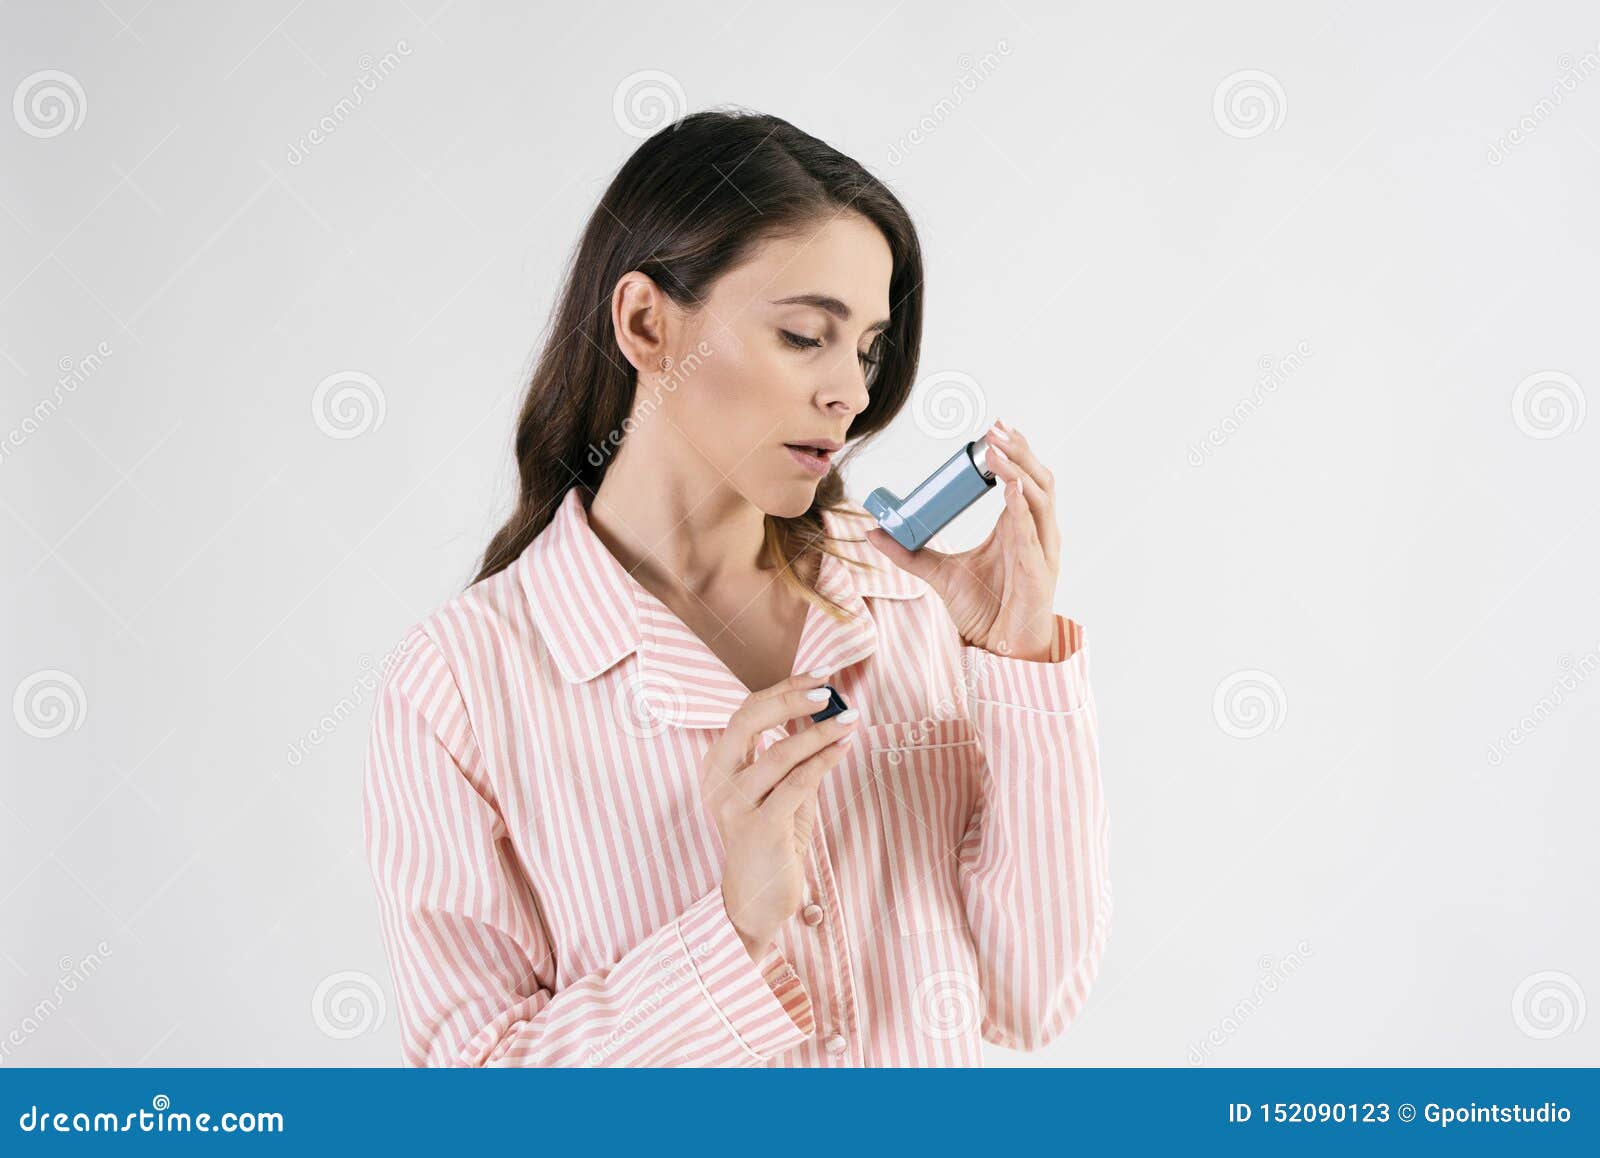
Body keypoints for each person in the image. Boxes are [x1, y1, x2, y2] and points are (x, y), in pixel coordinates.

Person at [362, 109, 1111, 1066]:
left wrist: (1021, 667)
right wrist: (736, 929)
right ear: (646, 324)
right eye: (805, 335)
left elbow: (1028, 1002)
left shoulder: (910, 604)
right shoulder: (459, 685)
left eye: (869, 349)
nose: (853, 393)